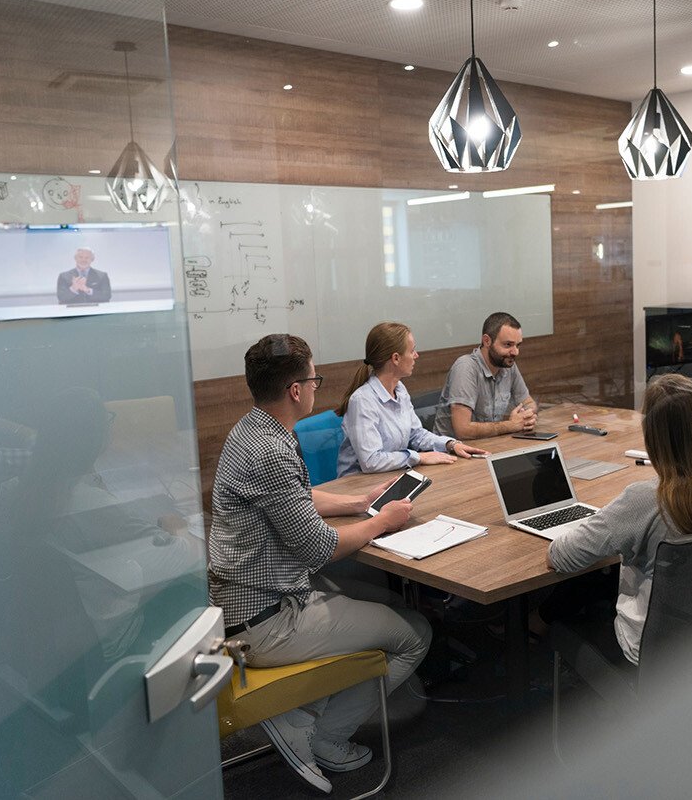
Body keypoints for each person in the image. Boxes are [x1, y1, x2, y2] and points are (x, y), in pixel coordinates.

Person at [208, 334, 432, 793]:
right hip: (267, 622)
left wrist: (356, 503)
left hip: (245, 605)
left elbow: (293, 497)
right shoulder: (271, 450)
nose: (317, 386)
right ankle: (325, 737)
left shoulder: (253, 429)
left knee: (380, 602)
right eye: (314, 379)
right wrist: (382, 521)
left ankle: (303, 711)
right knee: (413, 634)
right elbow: (317, 548)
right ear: (295, 390)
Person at [547, 374, 692, 665]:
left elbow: (562, 556)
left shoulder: (645, 499)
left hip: (649, 653)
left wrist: (601, 521)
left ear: (651, 433)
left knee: (560, 611)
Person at [335, 321, 485, 477]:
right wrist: (418, 457)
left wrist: (450, 444)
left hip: (391, 476)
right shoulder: (362, 400)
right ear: (396, 358)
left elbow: (416, 434)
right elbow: (371, 461)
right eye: (412, 350)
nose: (416, 355)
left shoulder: (399, 389)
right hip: (358, 486)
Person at [434, 311, 537, 438]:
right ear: (487, 341)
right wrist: (511, 425)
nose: (515, 352)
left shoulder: (507, 364)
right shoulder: (465, 368)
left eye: (518, 345)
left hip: (488, 445)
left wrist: (525, 416)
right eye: (508, 345)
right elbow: (463, 430)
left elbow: (528, 402)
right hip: (451, 453)